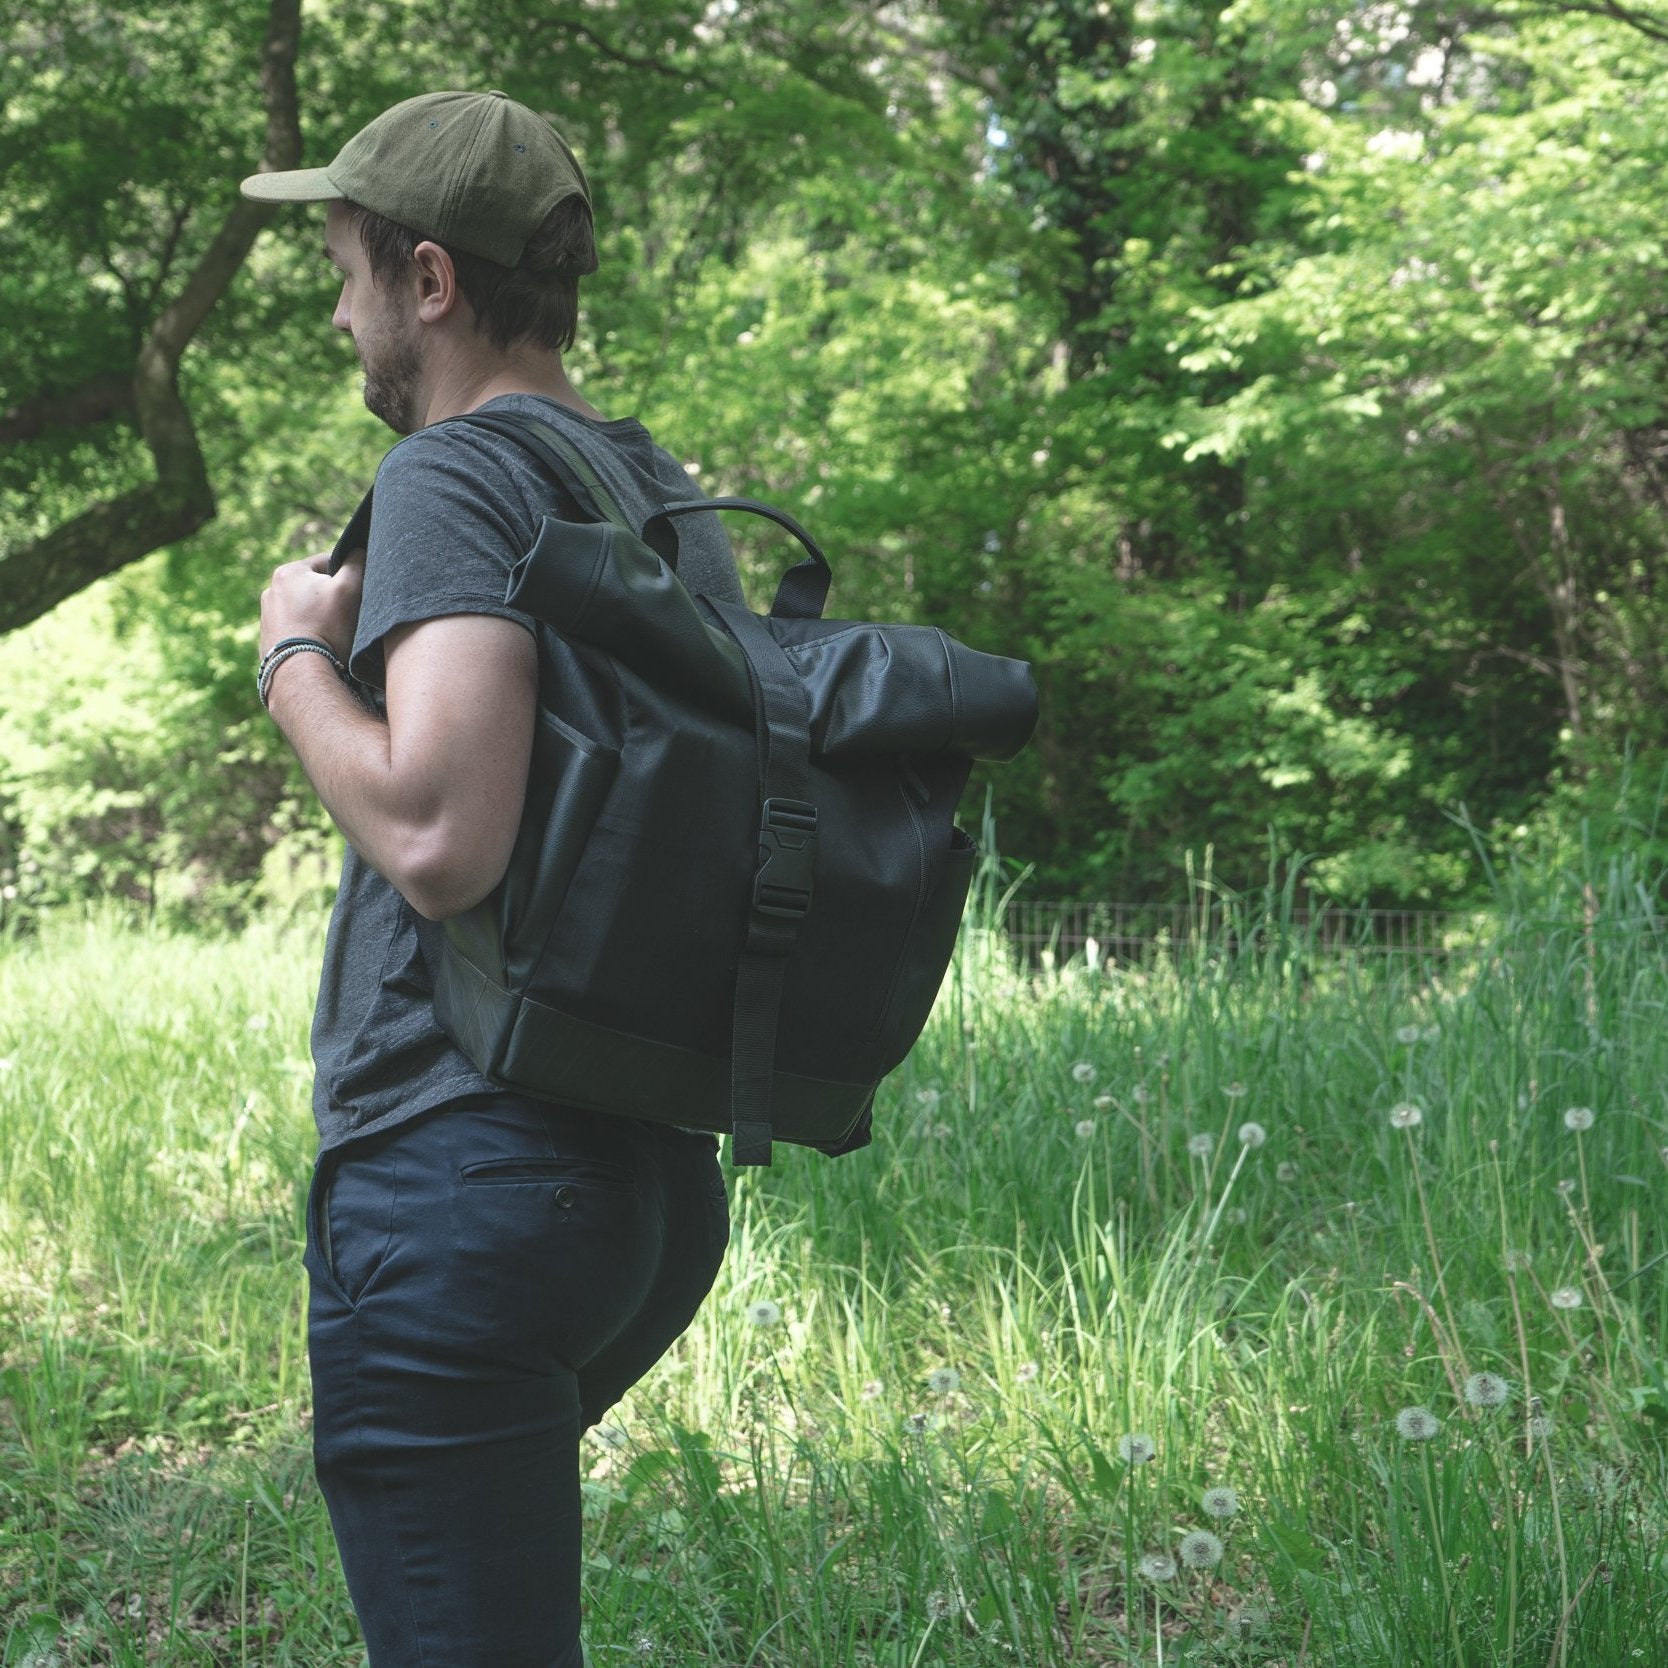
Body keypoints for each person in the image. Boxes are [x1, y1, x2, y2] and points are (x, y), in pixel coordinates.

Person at [239, 90, 738, 1668]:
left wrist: (294, 659)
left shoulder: (458, 480)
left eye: (346, 270)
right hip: (643, 1186)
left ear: (431, 281)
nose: (339, 311)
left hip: (464, 1184)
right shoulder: (657, 491)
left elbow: (444, 837)